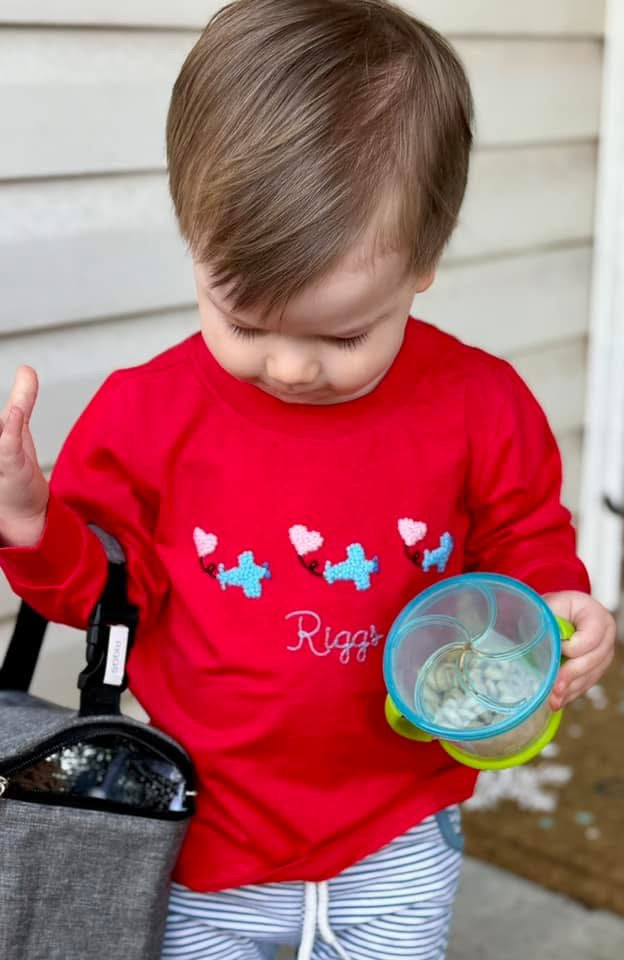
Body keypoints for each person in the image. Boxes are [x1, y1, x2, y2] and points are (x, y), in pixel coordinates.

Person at [0, 1, 616, 958]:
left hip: (396, 827)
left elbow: (521, 538)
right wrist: (36, 526)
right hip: (207, 830)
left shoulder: (480, 404)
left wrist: (557, 602)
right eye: (242, 322)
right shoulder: (146, 414)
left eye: (340, 335)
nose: (288, 369)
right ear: (191, 235)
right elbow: (108, 591)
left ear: (424, 262)